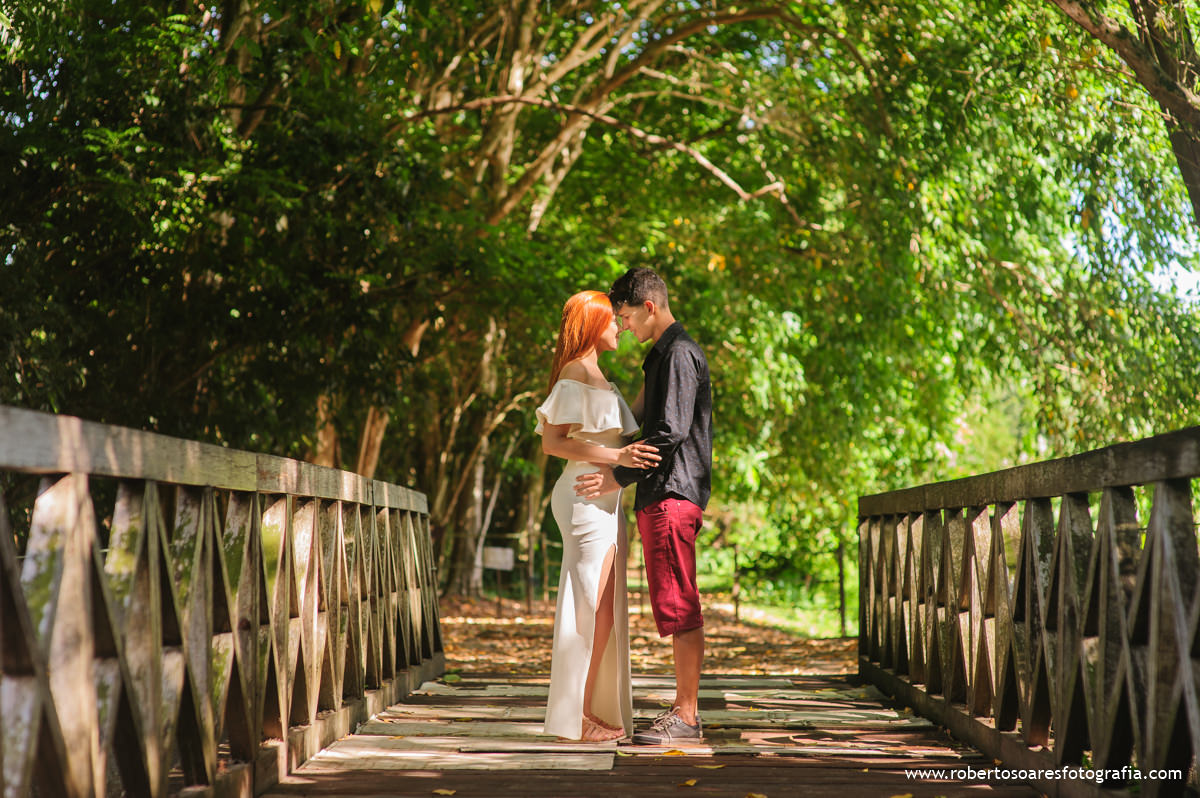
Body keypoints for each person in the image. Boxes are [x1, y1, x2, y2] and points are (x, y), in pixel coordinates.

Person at [574, 267, 712, 745]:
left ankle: (687, 717)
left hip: (672, 494)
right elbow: (648, 427)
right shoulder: (662, 355)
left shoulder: (676, 353)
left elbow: (668, 433)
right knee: (674, 604)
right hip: (663, 494)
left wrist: (616, 476)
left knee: (680, 604)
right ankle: (684, 710)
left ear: (649, 307)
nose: (624, 325)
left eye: (628, 315)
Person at [535, 290, 662, 743]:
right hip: (584, 495)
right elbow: (553, 443)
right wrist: (616, 455)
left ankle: (586, 710)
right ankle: (574, 720)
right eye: (612, 321)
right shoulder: (575, 373)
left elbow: (631, 426)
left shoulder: (598, 377)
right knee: (586, 605)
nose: (620, 327)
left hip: (608, 500)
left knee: (604, 611)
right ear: (592, 324)